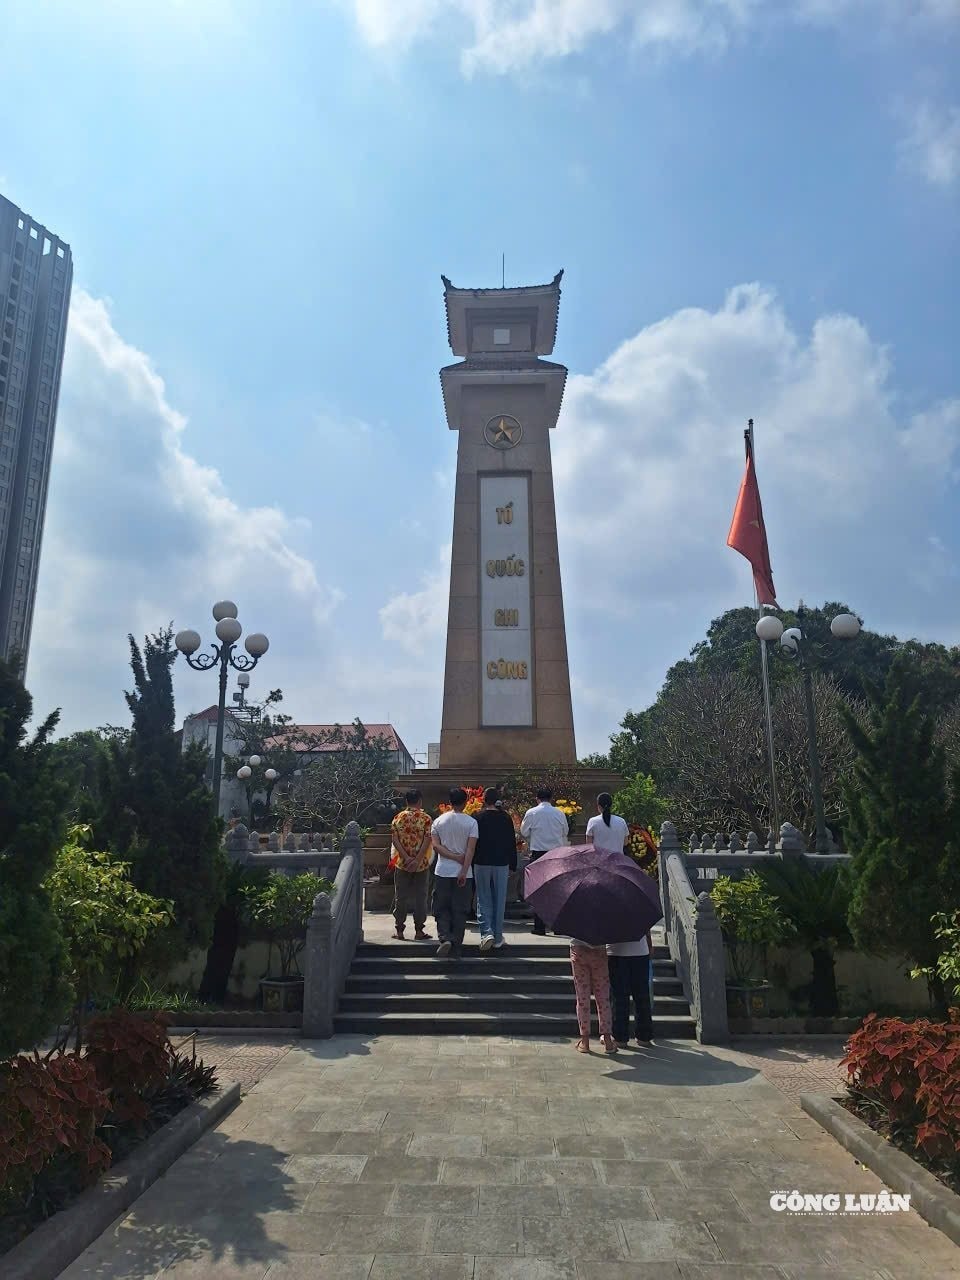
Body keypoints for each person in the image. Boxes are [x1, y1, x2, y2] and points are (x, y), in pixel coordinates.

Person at [587, 793, 655, 1048]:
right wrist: (648, 942)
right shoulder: (634, 890)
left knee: (619, 994)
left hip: (615, 950)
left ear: (597, 805)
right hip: (638, 949)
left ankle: (621, 1036)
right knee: (641, 995)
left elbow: (591, 847)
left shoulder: (606, 898)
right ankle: (645, 1036)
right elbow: (626, 844)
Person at [430, 787, 477, 959]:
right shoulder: (471, 823)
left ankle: (444, 938)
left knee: (441, 907)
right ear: (466, 802)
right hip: (464, 873)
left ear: (449, 802)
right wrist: (463, 869)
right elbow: (471, 849)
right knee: (460, 909)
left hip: (442, 870)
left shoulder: (438, 821)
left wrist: (452, 856)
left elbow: (435, 846)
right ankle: (456, 945)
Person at [520, 786, 569, 936]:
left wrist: (533, 838)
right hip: (556, 855)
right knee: (556, 891)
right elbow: (565, 832)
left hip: (539, 855)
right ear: (551, 798)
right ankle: (556, 925)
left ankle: (539, 927)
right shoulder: (559, 813)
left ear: (537, 798)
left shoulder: (532, 812)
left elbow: (524, 832)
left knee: (538, 891)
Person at [473, 787, 517, 952]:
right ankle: (498, 936)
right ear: (498, 800)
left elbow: (473, 842)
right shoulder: (505, 818)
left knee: (483, 898)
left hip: (481, 861)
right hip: (501, 863)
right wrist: (512, 863)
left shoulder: (477, 817)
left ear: (484, 800)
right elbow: (511, 842)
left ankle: (487, 932)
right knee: (499, 899)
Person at [389, 788, 434, 941]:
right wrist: (416, 859)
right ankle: (419, 931)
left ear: (407, 801)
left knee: (401, 897)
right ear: (420, 801)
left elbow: (395, 840)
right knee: (421, 897)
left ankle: (399, 930)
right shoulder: (426, 818)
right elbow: (428, 840)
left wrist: (407, 858)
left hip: (402, 863)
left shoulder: (397, 818)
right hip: (421, 865)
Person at [570, 936, 618, 1054]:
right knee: (603, 997)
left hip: (578, 949)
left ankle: (585, 1041)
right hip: (599, 950)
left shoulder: (572, 916)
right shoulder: (603, 916)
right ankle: (607, 1040)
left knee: (582, 997)